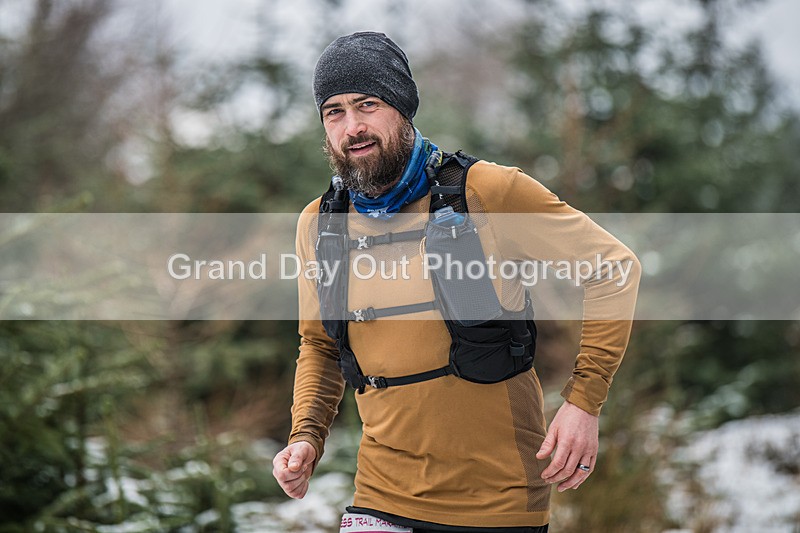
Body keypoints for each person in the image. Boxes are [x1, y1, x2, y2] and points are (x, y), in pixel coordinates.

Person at [272, 31, 641, 532]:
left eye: (368, 104)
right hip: (381, 493)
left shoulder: (487, 191)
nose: (352, 126)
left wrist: (583, 401)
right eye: (334, 111)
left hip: (497, 498)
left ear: (402, 109)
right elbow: (318, 344)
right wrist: (306, 436)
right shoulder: (320, 224)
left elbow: (613, 267)